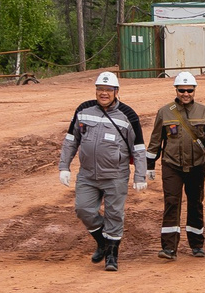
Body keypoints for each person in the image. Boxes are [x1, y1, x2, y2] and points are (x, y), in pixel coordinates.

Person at [57, 70, 148, 272]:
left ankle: (112, 257)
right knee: (83, 210)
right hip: (87, 175)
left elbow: (139, 148)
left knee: (114, 214)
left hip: (115, 175)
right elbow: (72, 140)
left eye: (108, 90)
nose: (103, 93)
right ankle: (102, 242)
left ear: (116, 91)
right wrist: (64, 167)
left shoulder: (128, 115)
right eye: (100, 89)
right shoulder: (83, 110)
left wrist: (140, 175)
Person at [146, 70, 205, 260]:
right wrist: (150, 165)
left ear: (195, 91)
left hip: (197, 166)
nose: (186, 94)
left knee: (195, 203)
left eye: (189, 90)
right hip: (172, 165)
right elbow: (155, 141)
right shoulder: (164, 112)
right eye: (182, 90)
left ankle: (196, 244)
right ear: (176, 90)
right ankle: (169, 247)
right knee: (171, 203)